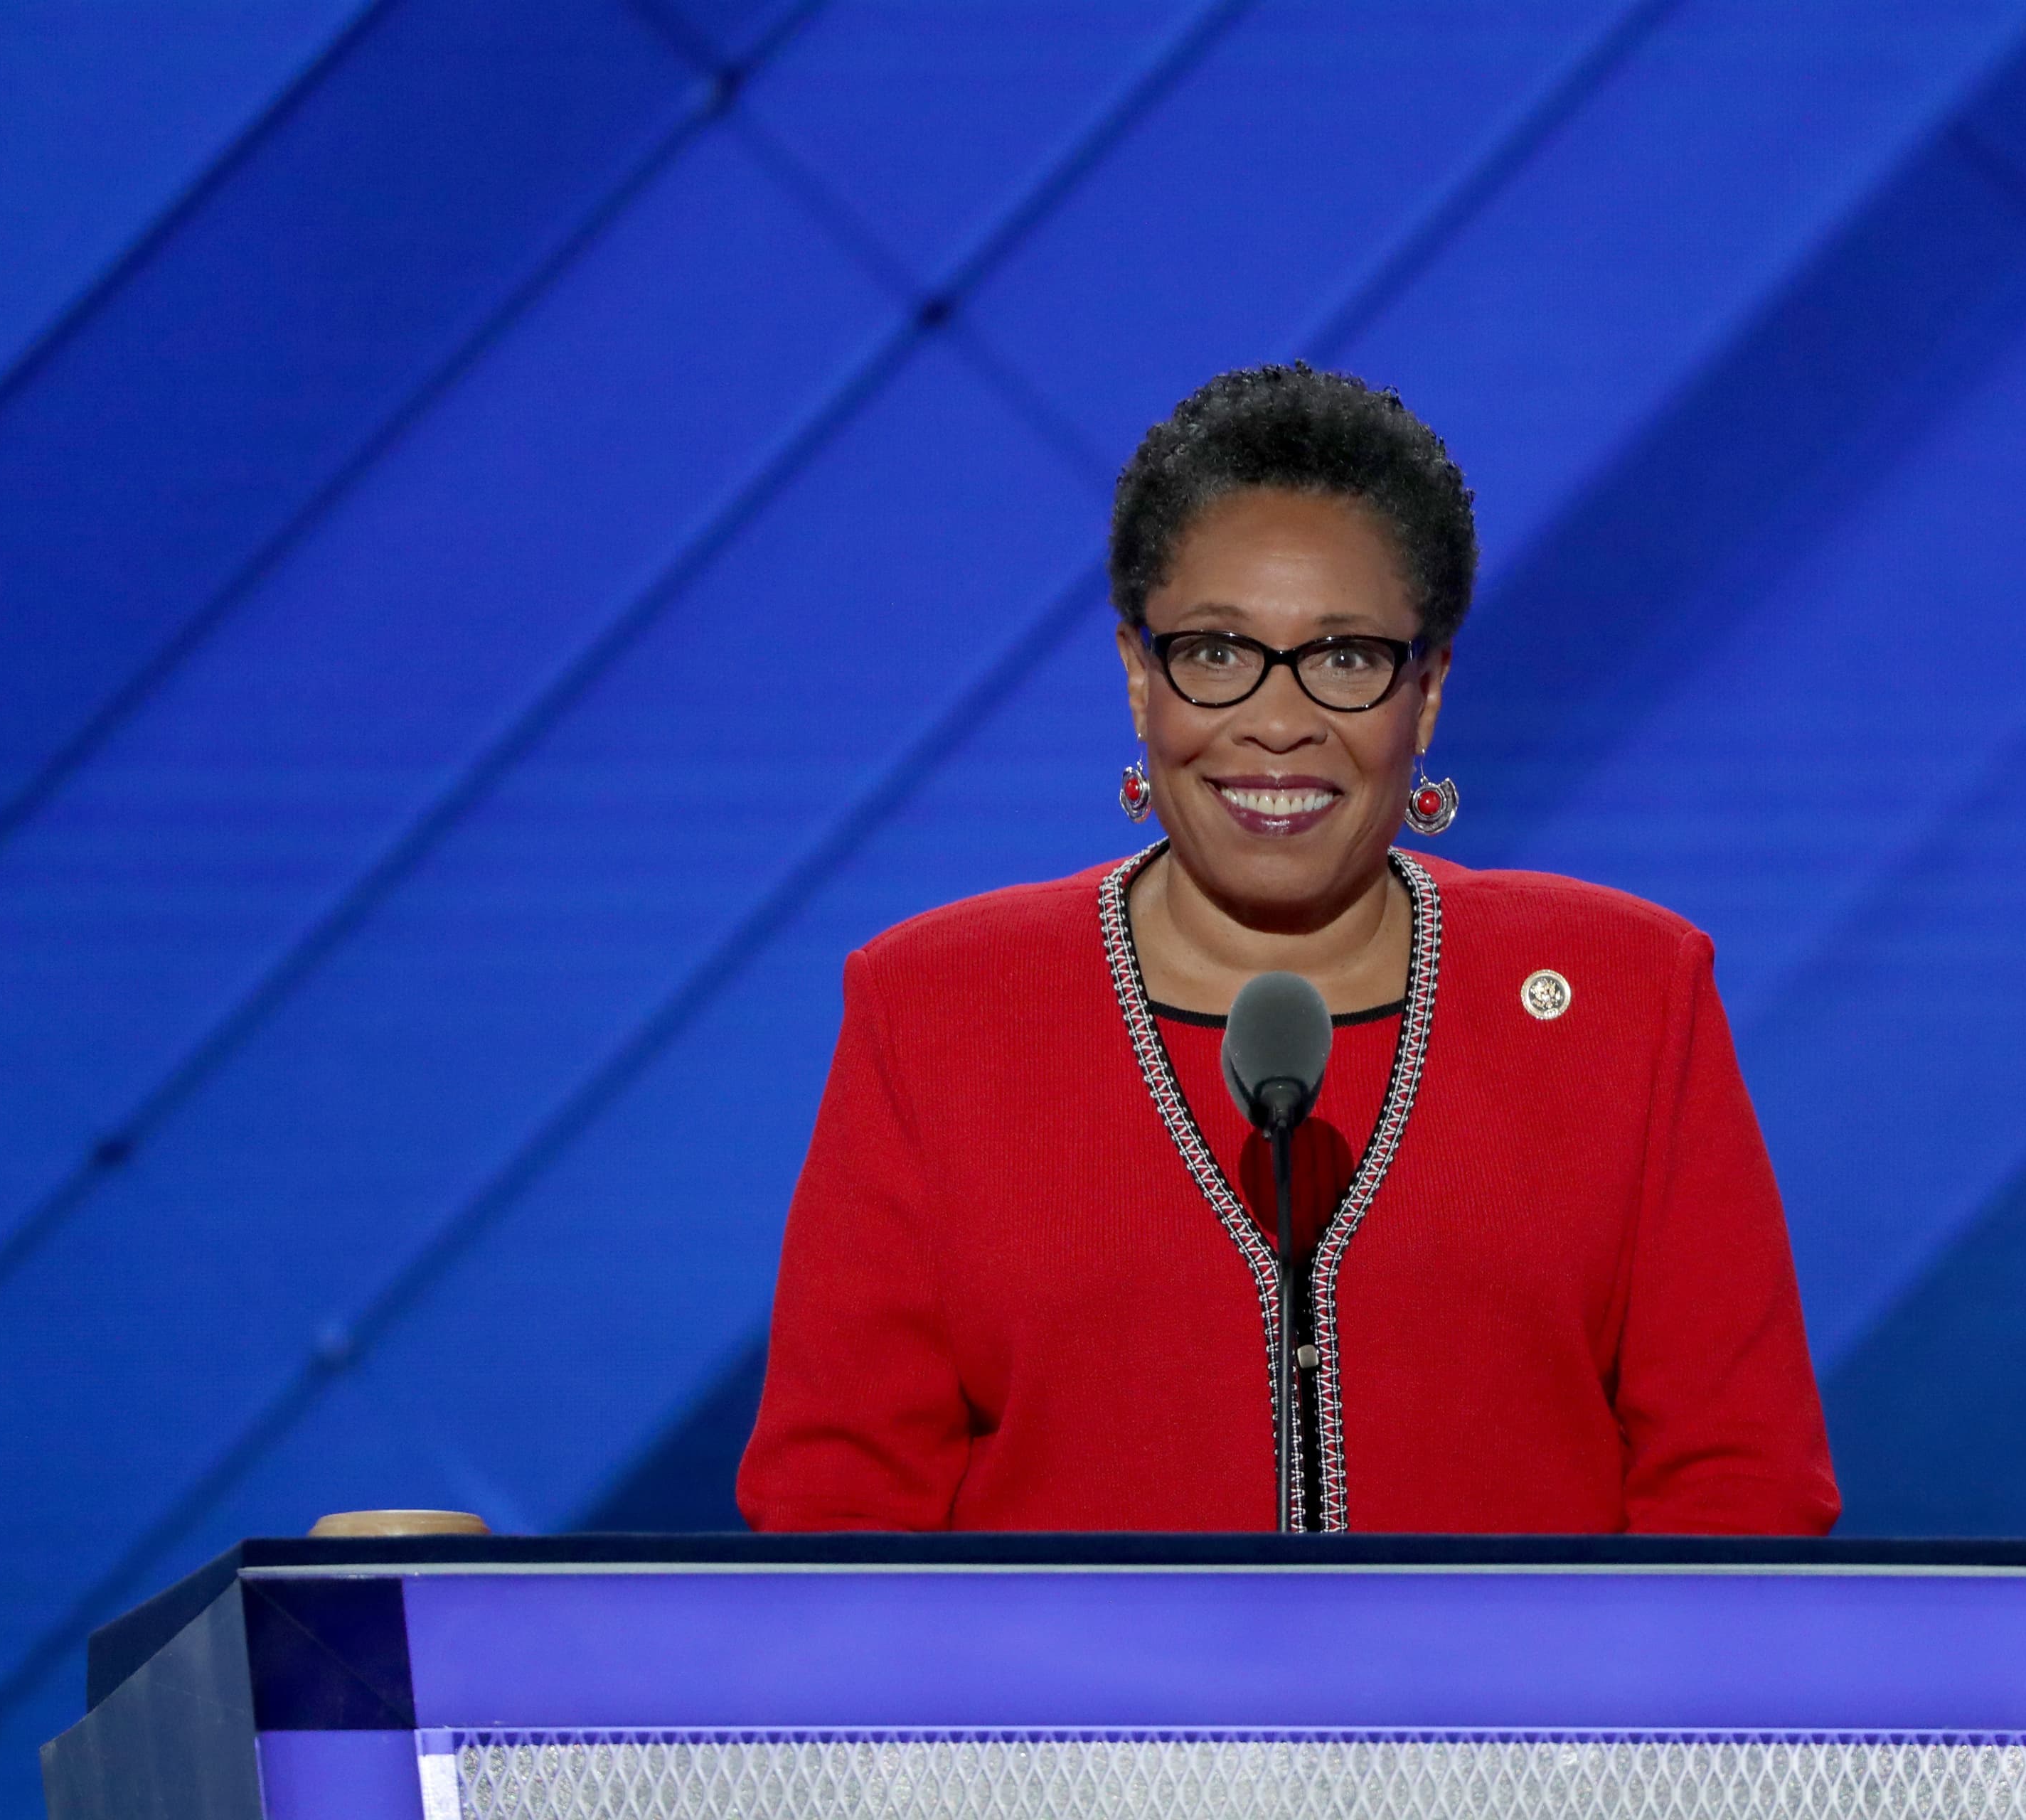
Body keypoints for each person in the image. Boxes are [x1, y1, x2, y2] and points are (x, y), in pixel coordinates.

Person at [738, 365, 1838, 1535]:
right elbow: (836, 1516)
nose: (1277, 720)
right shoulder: (938, 1006)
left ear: (1426, 694)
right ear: (1136, 678)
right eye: (1215, 651)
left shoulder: (1631, 993)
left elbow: (1742, 1491)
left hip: (1529, 1723)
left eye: (1346, 657)